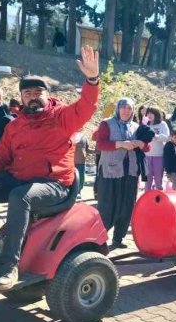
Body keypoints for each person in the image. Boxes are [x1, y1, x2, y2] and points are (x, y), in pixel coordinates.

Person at [0, 45, 101, 289]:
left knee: (19, 196)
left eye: (37, 92)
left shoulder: (62, 117)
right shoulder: (15, 126)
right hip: (20, 179)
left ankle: (9, 265)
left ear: (47, 95)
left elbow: (87, 105)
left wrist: (92, 79)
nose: (33, 97)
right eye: (27, 93)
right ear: (22, 98)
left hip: (54, 184)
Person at [93, 97, 148, 249]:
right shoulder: (107, 124)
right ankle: (99, 240)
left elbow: (147, 147)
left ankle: (118, 238)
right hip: (110, 172)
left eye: (129, 108)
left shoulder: (136, 127)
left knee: (127, 206)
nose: (126, 111)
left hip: (130, 172)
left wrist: (141, 143)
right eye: (123, 107)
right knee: (107, 206)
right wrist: (120, 144)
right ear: (118, 109)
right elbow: (100, 144)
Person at [143, 107, 170, 191]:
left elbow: (167, 138)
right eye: (148, 113)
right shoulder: (146, 124)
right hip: (147, 156)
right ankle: (147, 196)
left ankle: (159, 195)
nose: (149, 115)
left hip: (158, 156)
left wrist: (155, 136)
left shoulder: (162, 124)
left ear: (156, 114)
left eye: (151, 113)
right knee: (147, 180)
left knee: (158, 180)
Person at [73, 131, 90, 199]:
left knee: (80, 177)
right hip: (73, 161)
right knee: (77, 177)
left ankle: (78, 192)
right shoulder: (70, 135)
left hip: (81, 161)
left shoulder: (84, 137)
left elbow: (87, 148)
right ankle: (75, 192)